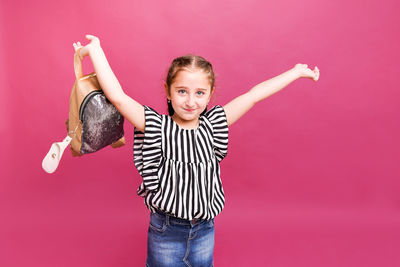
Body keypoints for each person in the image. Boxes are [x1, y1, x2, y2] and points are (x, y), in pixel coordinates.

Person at [73, 34, 320, 267]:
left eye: (199, 93)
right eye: (182, 91)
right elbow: (118, 98)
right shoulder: (157, 127)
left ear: (210, 95)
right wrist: (96, 51)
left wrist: (295, 72)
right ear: (168, 92)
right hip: (166, 230)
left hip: (204, 229)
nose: (191, 101)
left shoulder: (214, 124)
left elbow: (253, 95)